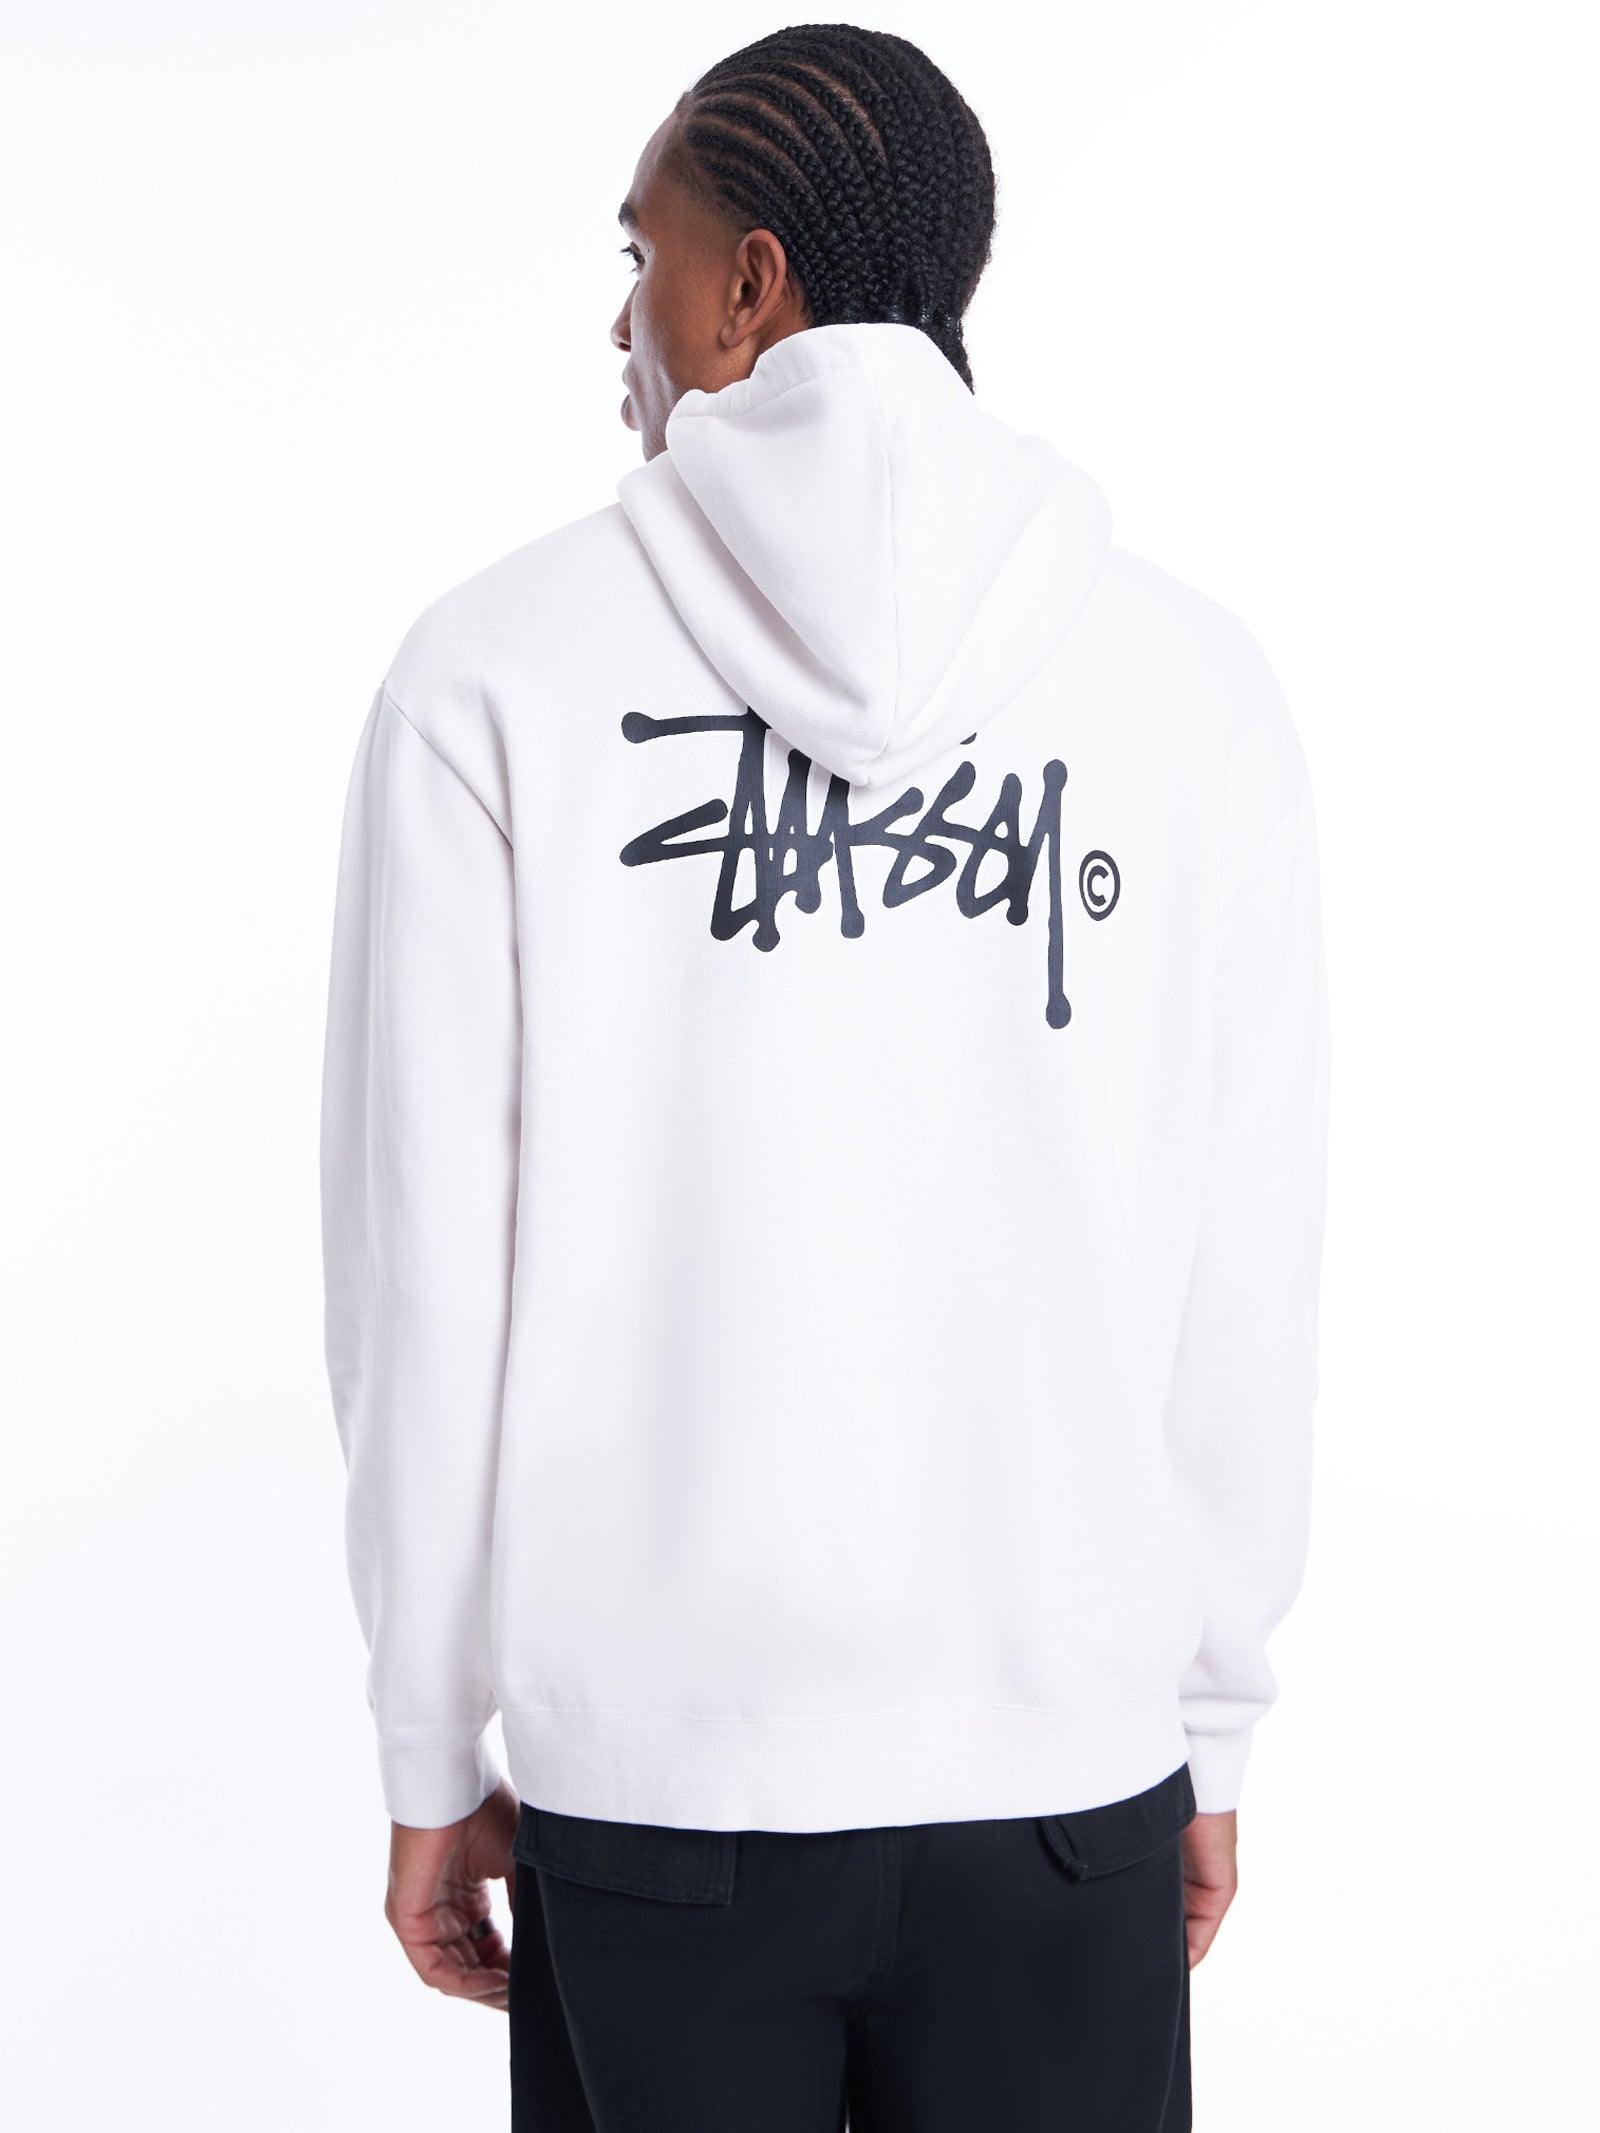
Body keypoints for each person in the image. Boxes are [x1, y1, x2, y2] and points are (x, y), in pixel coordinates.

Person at [318, 23, 1331, 2132]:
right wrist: (1207, 1717)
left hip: (658, 1793)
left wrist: (429, 1743)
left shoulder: (489, 674)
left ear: (747, 286)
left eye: (641, 256)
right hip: (1064, 1785)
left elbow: (425, 1279)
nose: (620, 319)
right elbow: (1245, 1262)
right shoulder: (1189, 685)